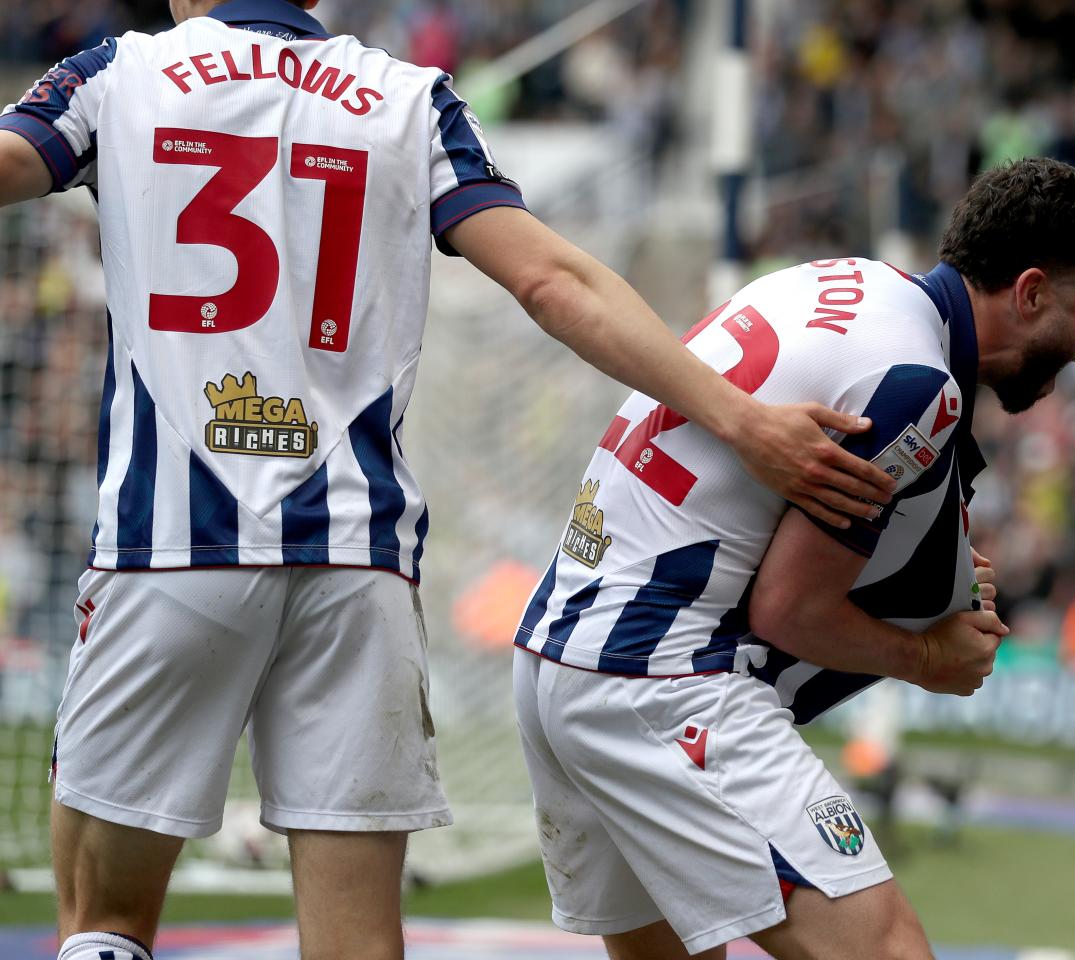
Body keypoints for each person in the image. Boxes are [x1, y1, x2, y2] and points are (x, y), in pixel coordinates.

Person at [0, 2, 899, 959]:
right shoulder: (407, 98)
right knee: (356, 943)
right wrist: (742, 419)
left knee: (104, 923)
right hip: (356, 565)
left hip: (169, 548)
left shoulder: (119, 74)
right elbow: (555, 283)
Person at [513, 157, 1075, 960]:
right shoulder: (920, 384)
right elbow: (791, 610)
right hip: (655, 673)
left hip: (556, 653)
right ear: (1029, 292)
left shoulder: (847, 283)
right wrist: (926, 656)